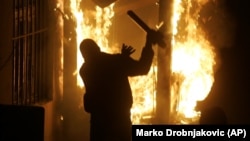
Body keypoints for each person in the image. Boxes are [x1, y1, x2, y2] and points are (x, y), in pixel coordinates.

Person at [79, 29, 160, 141]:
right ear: (98, 48)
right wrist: (148, 42)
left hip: (99, 122)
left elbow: (103, 68)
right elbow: (142, 68)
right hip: (119, 119)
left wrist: (122, 58)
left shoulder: (84, 70)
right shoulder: (116, 61)